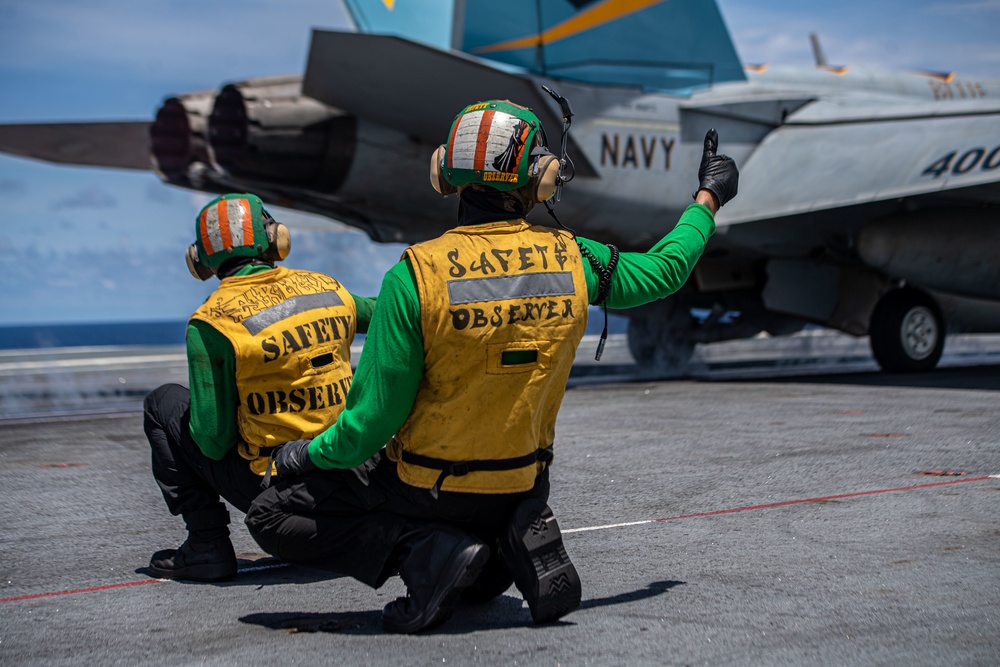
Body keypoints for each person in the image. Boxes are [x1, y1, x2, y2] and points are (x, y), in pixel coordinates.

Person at [245, 100, 739, 632]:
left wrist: (303, 455)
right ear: (542, 179)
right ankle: (506, 538)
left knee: (271, 513)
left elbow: (369, 426)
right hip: (523, 482)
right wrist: (706, 201)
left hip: (432, 493)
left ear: (445, 174)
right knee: (473, 581)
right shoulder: (575, 258)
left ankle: (426, 550)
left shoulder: (415, 277)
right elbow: (664, 271)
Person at [144, 192, 374, 582]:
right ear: (276, 240)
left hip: (274, 482)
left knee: (162, 403)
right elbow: (394, 312)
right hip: (352, 471)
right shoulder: (327, 290)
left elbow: (213, 441)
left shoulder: (211, 322)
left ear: (199, 261)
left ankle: (206, 544)